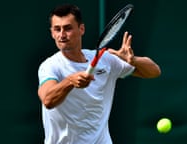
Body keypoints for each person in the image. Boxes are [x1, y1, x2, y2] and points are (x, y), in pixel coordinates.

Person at [37, 4, 161, 144]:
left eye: (68, 28)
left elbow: (154, 71)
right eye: (57, 29)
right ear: (52, 33)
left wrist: (133, 60)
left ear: (81, 29)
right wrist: (70, 81)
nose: (62, 35)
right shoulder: (50, 66)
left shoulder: (106, 60)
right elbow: (48, 100)